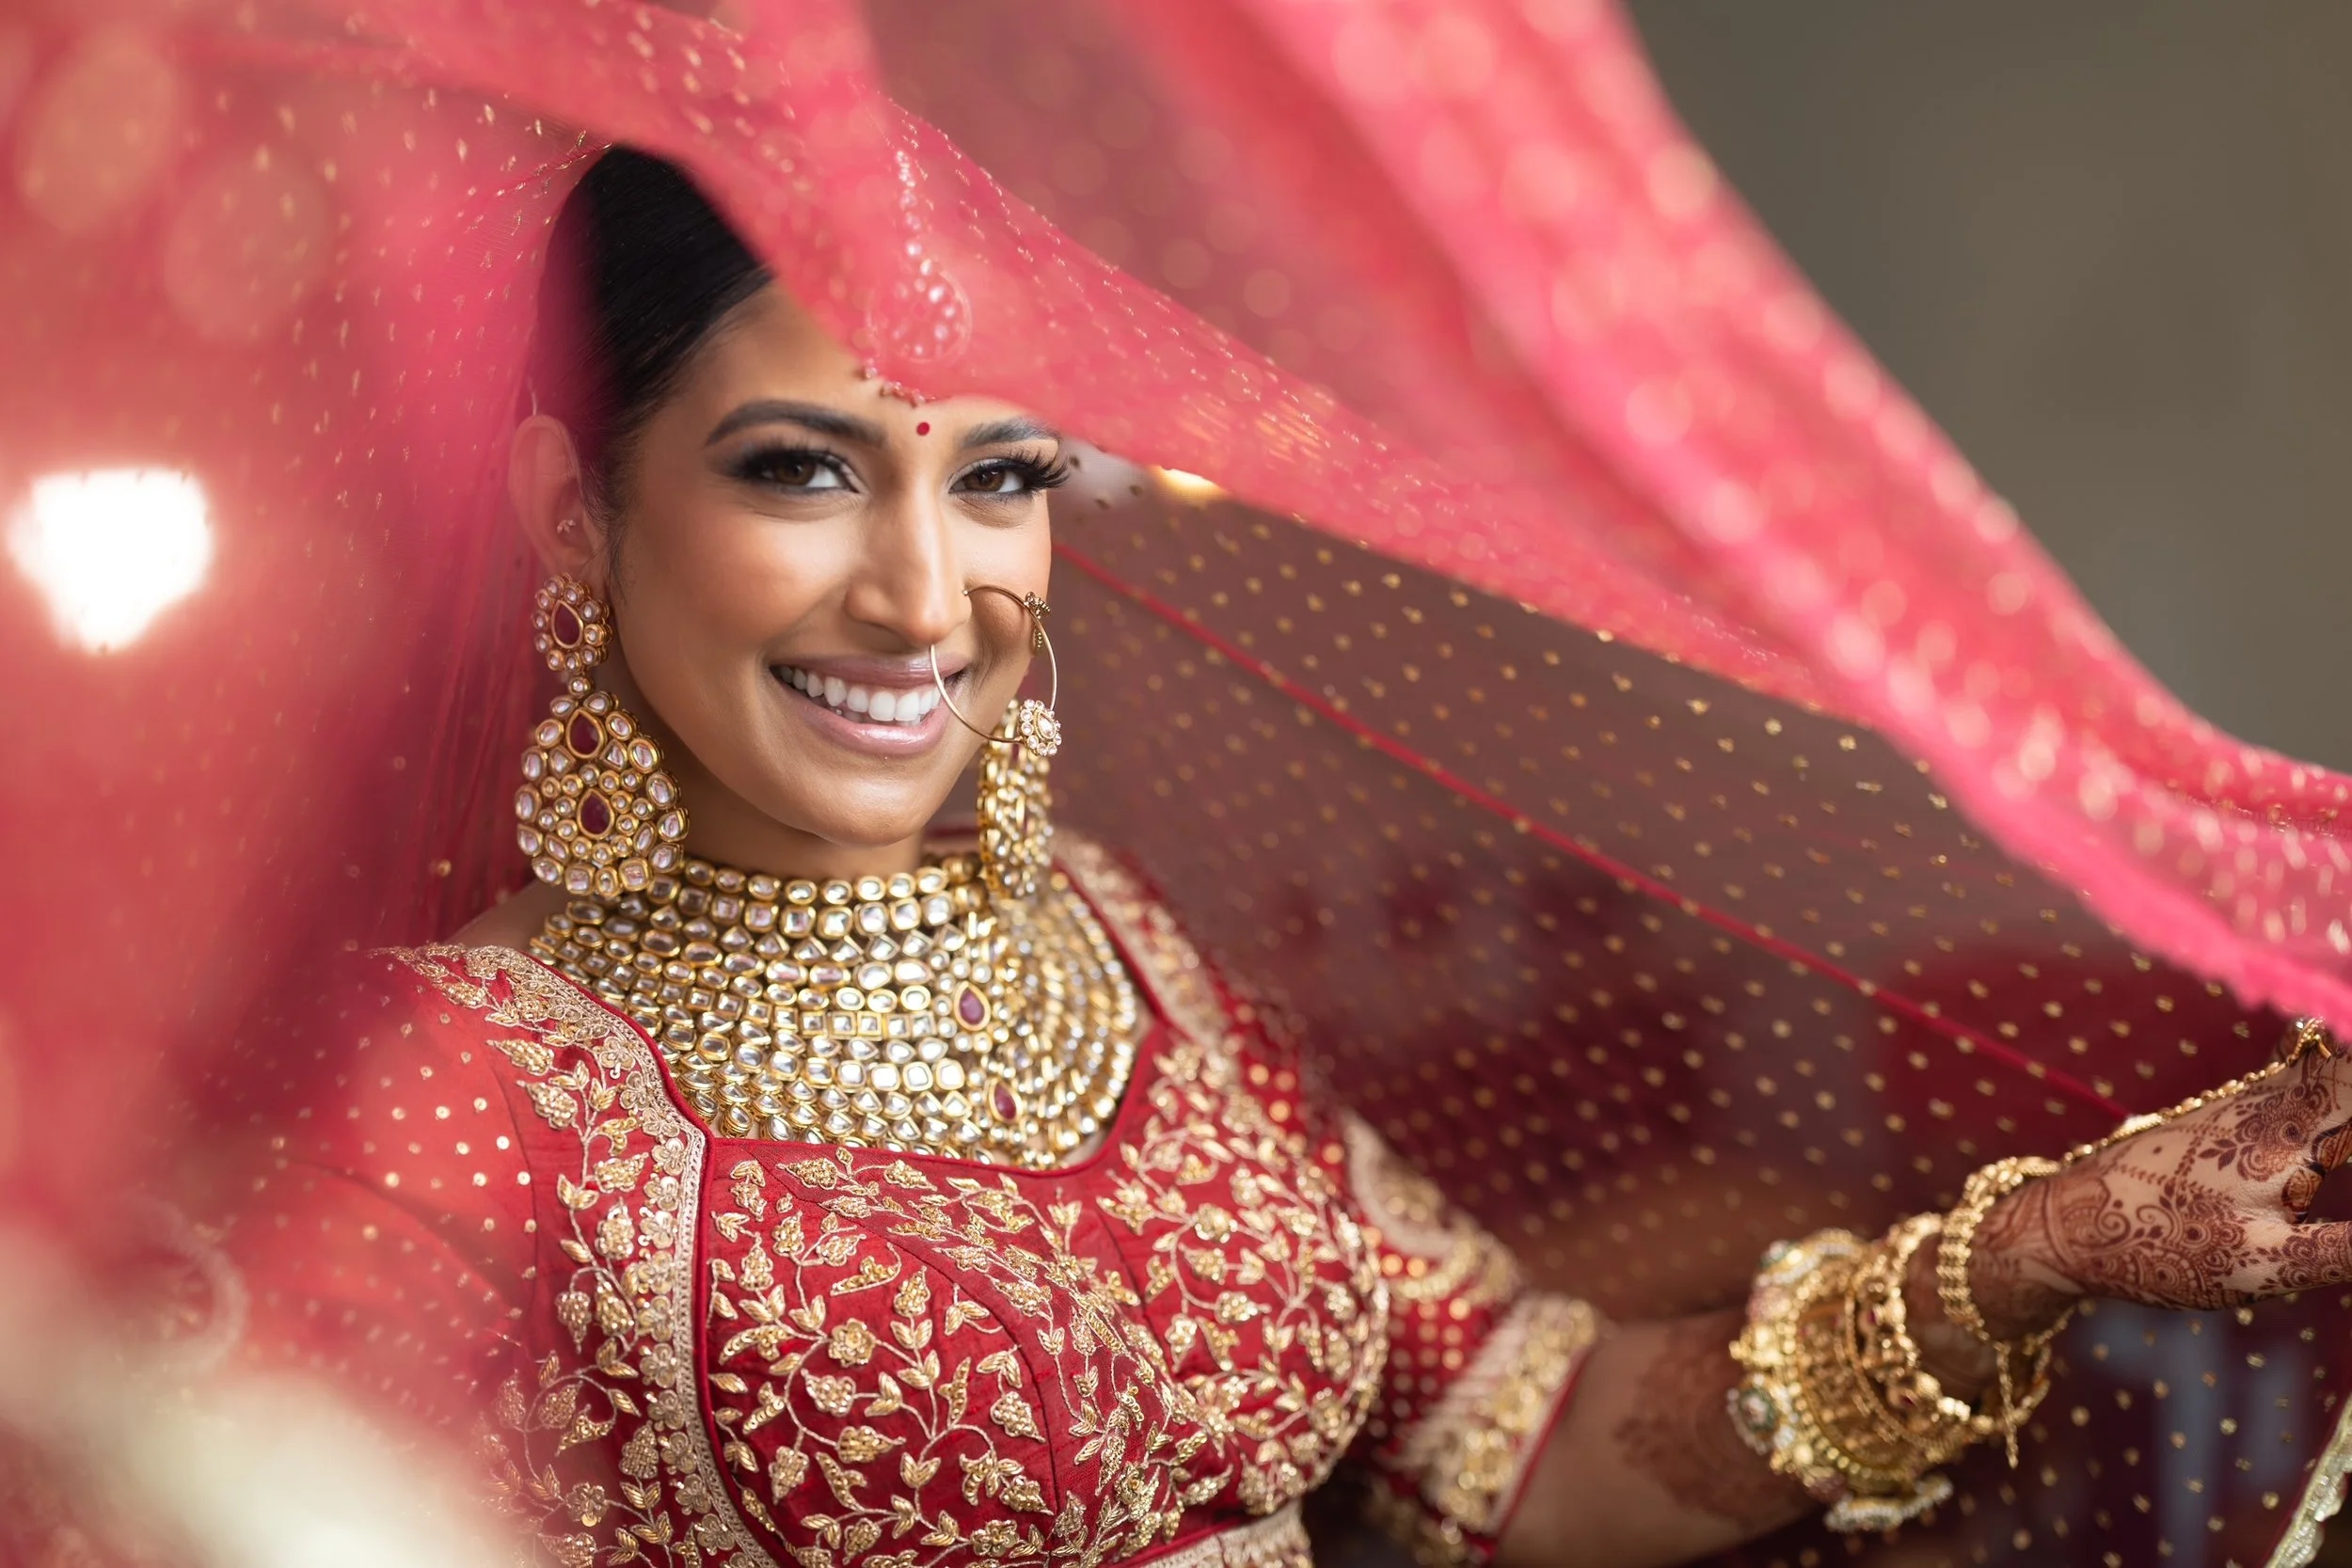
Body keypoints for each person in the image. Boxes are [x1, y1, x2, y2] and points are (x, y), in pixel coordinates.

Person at [178, 148, 2352, 1568]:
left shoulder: (1113, 949)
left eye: (997, 476)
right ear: (578, 511)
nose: (926, 599)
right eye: (799, 472)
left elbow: (1522, 1443)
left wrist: (2036, 1245)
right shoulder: (441, 1103)